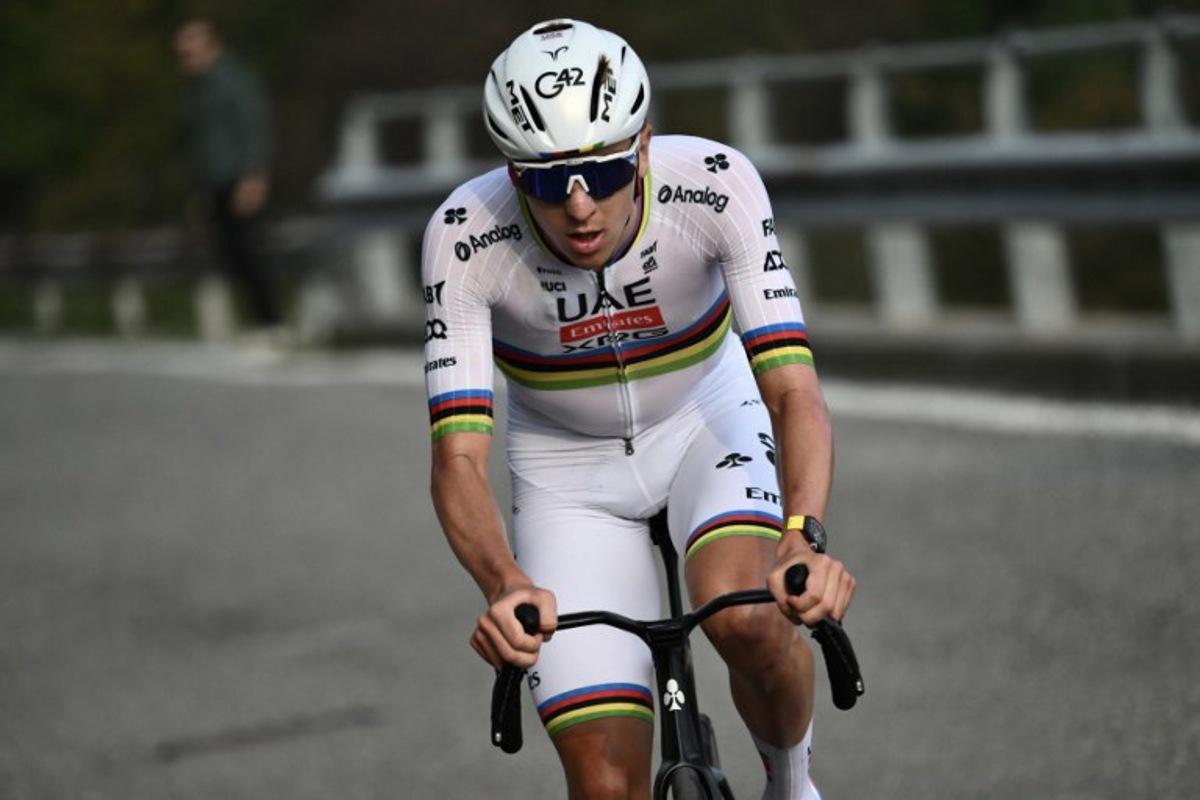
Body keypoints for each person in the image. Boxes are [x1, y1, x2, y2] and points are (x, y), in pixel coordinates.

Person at [423, 19, 855, 799]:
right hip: (566, 472)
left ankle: (794, 788)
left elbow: (794, 390)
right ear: (513, 176)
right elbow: (457, 455)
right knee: (605, 785)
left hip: (704, 421)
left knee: (750, 618)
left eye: (605, 171)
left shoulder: (715, 184)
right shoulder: (466, 236)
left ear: (645, 148)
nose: (580, 207)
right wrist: (503, 582)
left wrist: (803, 535)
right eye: (548, 183)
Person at [175, 19, 283, 334]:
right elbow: (202, 143)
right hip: (215, 182)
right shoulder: (196, 88)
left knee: (250, 252)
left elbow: (253, 126)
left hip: (240, 180)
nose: (185, 59)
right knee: (230, 255)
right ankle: (260, 323)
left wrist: (254, 176)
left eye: (189, 52)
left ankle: (273, 323)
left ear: (211, 46)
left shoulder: (233, 80)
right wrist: (201, 191)